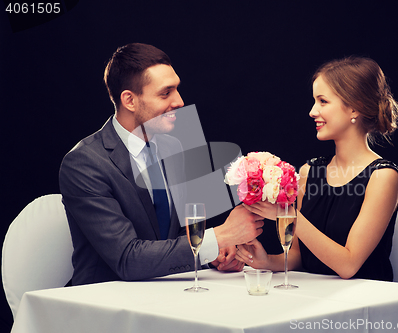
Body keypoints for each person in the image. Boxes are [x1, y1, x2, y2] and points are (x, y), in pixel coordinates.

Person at [59, 43, 264, 286]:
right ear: (130, 100)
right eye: (165, 93)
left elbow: (175, 235)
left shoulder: (172, 147)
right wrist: (221, 236)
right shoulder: (84, 164)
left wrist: (211, 255)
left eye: (177, 89)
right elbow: (127, 259)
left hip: (165, 292)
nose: (179, 101)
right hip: (102, 304)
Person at [236, 56, 398, 281]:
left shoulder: (383, 176)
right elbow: (297, 256)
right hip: (316, 295)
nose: (312, 111)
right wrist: (266, 261)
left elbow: (348, 265)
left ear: (355, 108)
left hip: (364, 302)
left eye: (323, 101)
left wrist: (288, 215)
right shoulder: (309, 172)